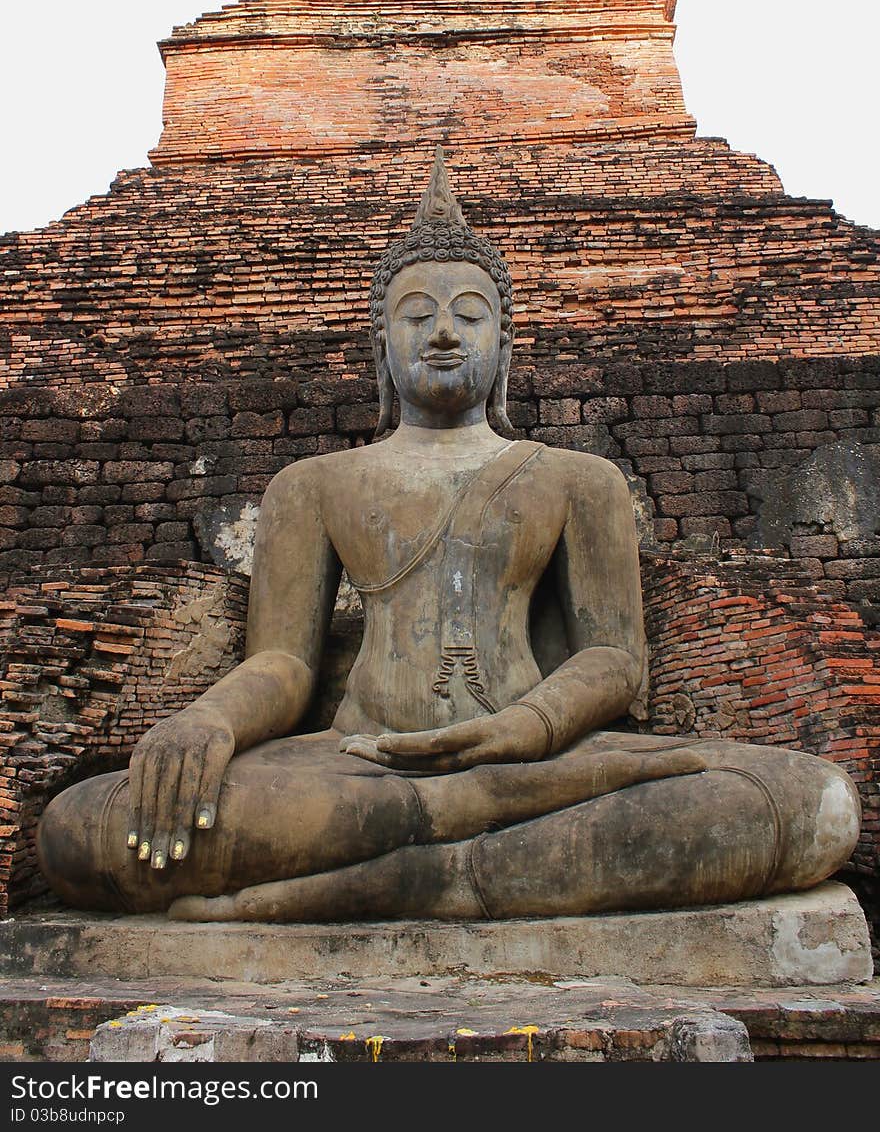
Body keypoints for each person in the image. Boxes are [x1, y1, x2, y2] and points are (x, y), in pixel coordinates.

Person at [37, 151, 861, 922]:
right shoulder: (313, 486)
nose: (442, 332)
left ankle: (414, 875)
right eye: (415, 315)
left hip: (541, 759)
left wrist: (526, 729)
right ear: (379, 344)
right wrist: (207, 722)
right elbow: (284, 663)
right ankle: (469, 856)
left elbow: (614, 659)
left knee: (809, 801)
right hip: (357, 767)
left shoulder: (578, 480)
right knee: (80, 828)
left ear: (504, 344)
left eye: (470, 314)